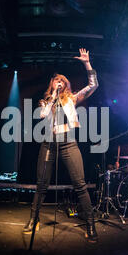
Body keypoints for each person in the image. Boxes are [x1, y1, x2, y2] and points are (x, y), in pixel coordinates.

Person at [23, 48, 99, 242]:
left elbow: (92, 85)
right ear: (53, 84)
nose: (60, 83)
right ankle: (34, 219)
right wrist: (51, 99)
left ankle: (90, 223)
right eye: (57, 81)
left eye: (62, 81)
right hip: (48, 144)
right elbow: (42, 115)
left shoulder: (72, 99)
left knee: (80, 184)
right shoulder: (45, 101)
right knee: (41, 185)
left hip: (69, 144)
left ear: (66, 85)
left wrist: (86, 63)